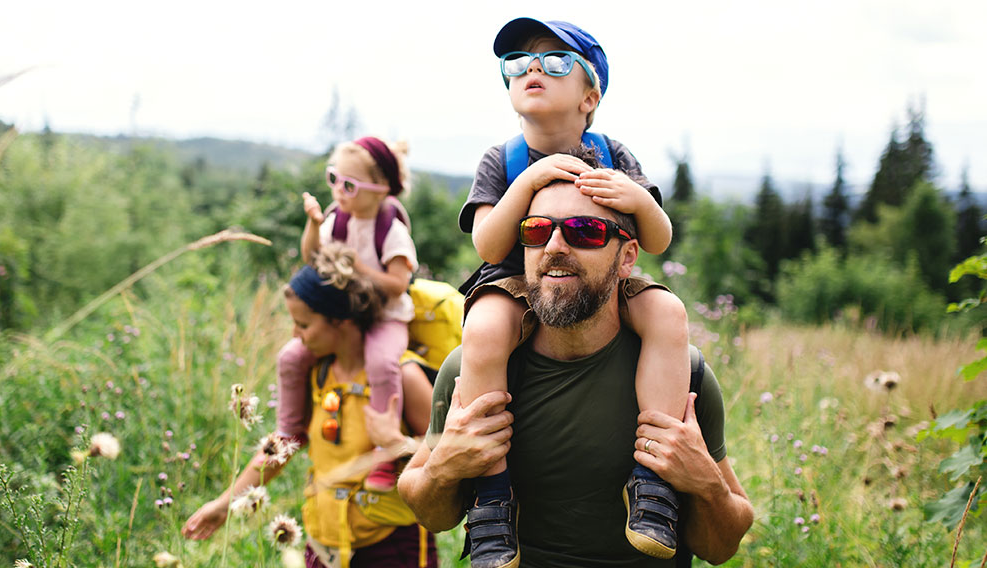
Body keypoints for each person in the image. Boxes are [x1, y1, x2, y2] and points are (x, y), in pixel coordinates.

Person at [399, 145, 753, 567]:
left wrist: (706, 484)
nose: (554, 247)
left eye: (585, 231)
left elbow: (722, 547)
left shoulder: (683, 374)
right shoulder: (472, 369)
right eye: (535, 231)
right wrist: (443, 468)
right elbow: (431, 513)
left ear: (627, 258)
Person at [456, 17, 692, 567]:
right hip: (519, 278)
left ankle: (653, 479)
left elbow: (657, 239)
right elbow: (491, 247)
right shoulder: (503, 160)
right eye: (517, 63)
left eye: (555, 60)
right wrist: (528, 186)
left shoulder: (613, 153)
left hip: (599, 273)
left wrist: (634, 197)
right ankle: (492, 499)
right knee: (483, 328)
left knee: (668, 312)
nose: (533, 67)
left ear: (590, 96)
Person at [183, 243, 439, 568]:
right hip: (324, 542)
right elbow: (282, 446)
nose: (295, 335)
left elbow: (448, 452)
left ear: (342, 320)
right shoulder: (317, 374)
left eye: (304, 325)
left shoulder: (404, 376)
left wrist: (396, 444)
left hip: (393, 547)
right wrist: (226, 503)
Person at [276, 136, 418, 493]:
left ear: (381, 189)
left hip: (386, 316)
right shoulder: (337, 220)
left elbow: (398, 284)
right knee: (291, 357)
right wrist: (313, 224)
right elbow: (313, 257)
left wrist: (361, 269)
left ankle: (385, 451)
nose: (339, 191)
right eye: (333, 179)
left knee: (383, 364)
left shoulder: (391, 230)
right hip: (346, 317)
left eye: (350, 185)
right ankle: (289, 431)